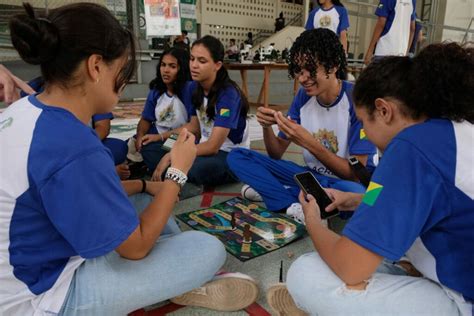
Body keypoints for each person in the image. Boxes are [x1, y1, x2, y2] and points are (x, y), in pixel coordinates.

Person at [0, 3, 258, 315]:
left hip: (36, 259)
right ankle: (174, 280)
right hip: (42, 298)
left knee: (145, 200)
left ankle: (164, 275)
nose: (124, 81)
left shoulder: (24, 110)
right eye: (122, 69)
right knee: (207, 248)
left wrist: (145, 185)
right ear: (96, 67)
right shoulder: (75, 145)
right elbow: (135, 249)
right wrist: (177, 173)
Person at [268, 43, 474, 315]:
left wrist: (314, 222)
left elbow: (350, 267)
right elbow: (409, 199)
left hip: (463, 300)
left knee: (305, 272)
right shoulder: (454, 128)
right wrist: (356, 200)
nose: (363, 131)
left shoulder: (411, 147)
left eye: (364, 122)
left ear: (384, 110)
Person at [227, 29, 377, 214]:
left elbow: (354, 175)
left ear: (334, 65)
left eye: (311, 70)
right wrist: (267, 127)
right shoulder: (303, 97)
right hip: (311, 176)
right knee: (237, 156)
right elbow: (276, 153)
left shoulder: (356, 100)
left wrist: (308, 142)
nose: (302, 78)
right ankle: (293, 203)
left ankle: (283, 193)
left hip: (351, 181)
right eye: (298, 70)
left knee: (366, 195)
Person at [152, 35, 250, 186]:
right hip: (201, 146)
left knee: (191, 168)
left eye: (202, 61)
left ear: (217, 65)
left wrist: (173, 155)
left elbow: (213, 147)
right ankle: (175, 175)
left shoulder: (228, 95)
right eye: (192, 59)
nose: (194, 65)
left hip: (228, 154)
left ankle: (179, 180)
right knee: (151, 150)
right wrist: (160, 137)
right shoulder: (194, 87)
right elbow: (193, 127)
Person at [20, 76, 130, 180]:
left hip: (84, 144)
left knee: (118, 147)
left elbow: (103, 127)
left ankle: (98, 170)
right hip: (50, 150)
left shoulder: (92, 90)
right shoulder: (32, 90)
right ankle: (104, 171)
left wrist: (82, 145)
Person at [132, 47, 192, 173]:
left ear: (182, 68)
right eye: (163, 65)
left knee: (157, 151)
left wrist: (159, 137)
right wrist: (140, 136)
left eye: (172, 66)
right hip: (156, 135)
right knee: (125, 147)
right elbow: (145, 119)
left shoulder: (189, 90)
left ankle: (163, 169)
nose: (166, 70)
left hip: (179, 137)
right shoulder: (156, 90)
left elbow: (194, 127)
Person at [364, 0, 416, 65]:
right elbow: (412, 28)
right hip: (401, 54)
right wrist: (406, 51)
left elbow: (381, 23)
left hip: (384, 51)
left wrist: (370, 50)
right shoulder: (412, 1)